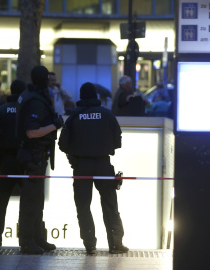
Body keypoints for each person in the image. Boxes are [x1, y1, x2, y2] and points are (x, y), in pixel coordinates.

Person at [59, 82, 128, 255]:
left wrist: (77, 152)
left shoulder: (74, 116)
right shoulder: (106, 114)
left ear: (81, 97)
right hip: (103, 165)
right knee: (110, 204)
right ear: (96, 96)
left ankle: (90, 245)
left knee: (83, 206)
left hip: (81, 166)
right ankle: (115, 244)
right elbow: (118, 140)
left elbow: (62, 143)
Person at [15, 65, 64, 254]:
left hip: (33, 156)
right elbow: (32, 132)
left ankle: (37, 238)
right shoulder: (35, 100)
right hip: (33, 156)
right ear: (44, 80)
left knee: (37, 201)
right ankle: (27, 241)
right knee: (31, 201)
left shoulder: (29, 95)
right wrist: (55, 125)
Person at [0, 79, 26, 246]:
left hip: (5, 159)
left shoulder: (1, 109)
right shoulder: (26, 109)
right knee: (28, 202)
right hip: (24, 160)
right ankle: (26, 239)